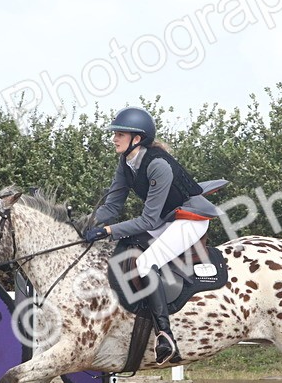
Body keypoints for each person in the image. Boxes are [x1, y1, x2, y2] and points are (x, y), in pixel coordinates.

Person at [84, 107, 218, 364]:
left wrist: (108, 231)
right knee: (126, 246)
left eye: (120, 134)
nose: (114, 139)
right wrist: (87, 225)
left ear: (137, 138)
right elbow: (112, 207)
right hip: (169, 217)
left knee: (146, 263)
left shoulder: (157, 165)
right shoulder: (126, 163)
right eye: (115, 134)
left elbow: (148, 220)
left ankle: (165, 336)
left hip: (190, 218)